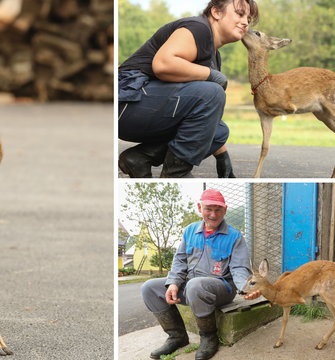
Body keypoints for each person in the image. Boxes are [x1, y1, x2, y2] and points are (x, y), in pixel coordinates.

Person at [118, 0, 259, 178]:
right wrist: (213, 76)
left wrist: (222, 157)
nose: (245, 22)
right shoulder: (198, 28)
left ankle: (139, 158)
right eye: (240, 14)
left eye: (248, 18)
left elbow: (205, 116)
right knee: (212, 93)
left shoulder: (214, 55)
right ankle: (176, 175)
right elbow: (162, 64)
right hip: (125, 102)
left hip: (144, 110)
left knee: (219, 131)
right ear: (216, 12)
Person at [140, 189, 261, 360]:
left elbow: (240, 269)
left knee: (194, 285)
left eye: (218, 209)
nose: (213, 214)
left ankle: (209, 337)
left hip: (222, 288)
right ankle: (177, 337)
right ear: (200, 207)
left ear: (225, 210)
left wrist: (245, 289)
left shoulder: (234, 237)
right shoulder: (190, 231)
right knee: (149, 288)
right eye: (208, 209)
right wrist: (173, 283)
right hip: (192, 286)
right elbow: (180, 260)